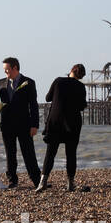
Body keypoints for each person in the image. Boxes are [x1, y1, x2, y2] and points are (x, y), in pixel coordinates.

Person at [36, 64, 89, 193]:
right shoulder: (81, 86)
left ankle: (43, 181)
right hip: (73, 123)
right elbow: (82, 106)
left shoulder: (59, 81)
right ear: (81, 75)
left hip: (56, 121)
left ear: (71, 70)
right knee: (71, 153)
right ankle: (70, 183)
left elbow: (48, 98)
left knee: (51, 152)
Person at [0, 57, 40, 189]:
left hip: (24, 124)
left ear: (15, 68)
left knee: (28, 153)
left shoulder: (29, 82)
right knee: (10, 153)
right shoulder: (1, 83)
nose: (5, 72)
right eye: (4, 70)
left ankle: (37, 180)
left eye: (7, 70)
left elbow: (33, 105)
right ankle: (12, 180)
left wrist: (35, 125)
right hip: (6, 124)